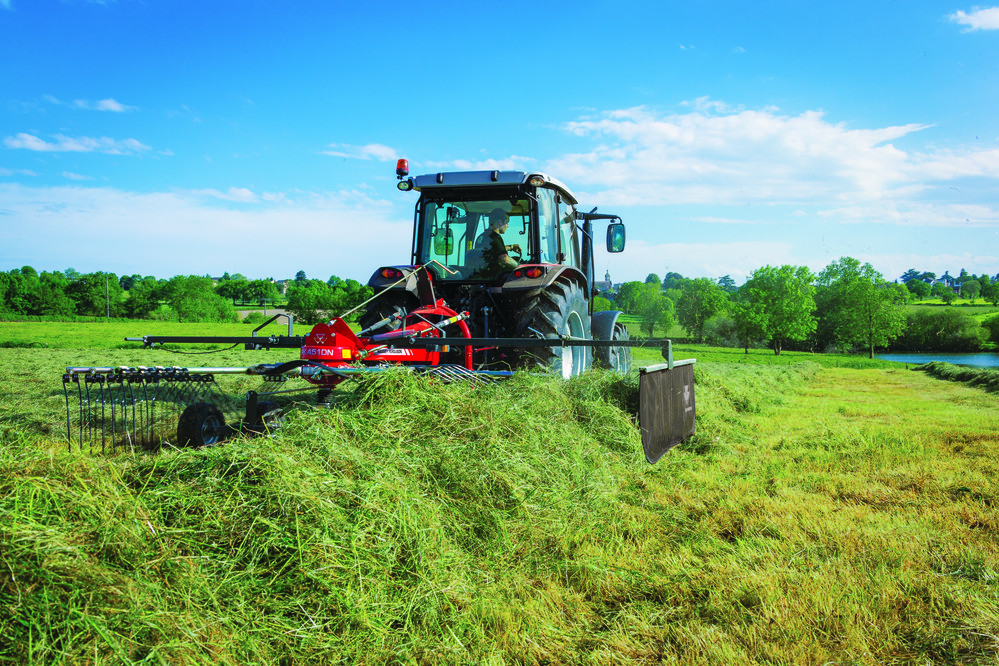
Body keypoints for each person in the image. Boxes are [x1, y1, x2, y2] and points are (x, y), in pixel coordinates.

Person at [479, 208, 521, 276]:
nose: (508, 226)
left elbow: (493, 250)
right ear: (500, 222)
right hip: (493, 276)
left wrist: (511, 247)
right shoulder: (494, 237)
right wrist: (520, 266)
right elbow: (505, 259)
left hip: (482, 273)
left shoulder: (482, 237)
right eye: (507, 223)